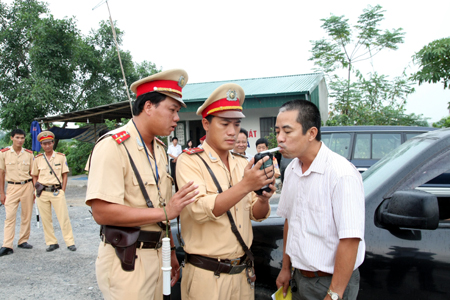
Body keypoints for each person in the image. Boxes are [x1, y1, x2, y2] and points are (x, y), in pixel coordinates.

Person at [85, 69, 198, 300]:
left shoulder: (158, 149)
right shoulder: (113, 146)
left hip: (158, 256)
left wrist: (172, 252)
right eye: (172, 110)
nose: (177, 118)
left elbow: (162, 209)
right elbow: (101, 211)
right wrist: (166, 211)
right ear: (148, 107)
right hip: (127, 260)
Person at [176, 83, 276, 300]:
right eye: (224, 124)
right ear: (206, 124)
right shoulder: (190, 161)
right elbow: (200, 210)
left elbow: (255, 214)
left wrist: (263, 199)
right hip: (207, 277)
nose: (232, 131)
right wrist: (245, 185)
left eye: (237, 123)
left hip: (242, 273)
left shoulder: (241, 163)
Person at [275, 100, 365, 300]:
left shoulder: (341, 174)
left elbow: (350, 239)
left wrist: (334, 294)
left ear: (311, 133)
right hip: (299, 278)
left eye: (287, 132)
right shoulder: (292, 170)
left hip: (330, 282)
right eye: (277, 131)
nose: (280, 138)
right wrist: (286, 267)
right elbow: (291, 220)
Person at [31, 131, 76, 252]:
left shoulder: (61, 157)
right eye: (44, 144)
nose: (47, 146)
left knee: (63, 218)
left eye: (49, 143)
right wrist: (36, 189)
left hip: (57, 191)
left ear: (53, 143)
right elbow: (34, 175)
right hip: (42, 192)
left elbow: (65, 175)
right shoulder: (38, 159)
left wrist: (63, 191)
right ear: (41, 145)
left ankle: (70, 242)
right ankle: (52, 242)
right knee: (46, 219)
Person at [0, 129, 35, 257]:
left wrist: (34, 190)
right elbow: (1, 173)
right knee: (9, 217)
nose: (20, 140)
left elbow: (33, 173)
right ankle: (7, 245)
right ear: (12, 138)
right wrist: (1, 193)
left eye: (22, 138)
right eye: (17, 137)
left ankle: (23, 241)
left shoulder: (29, 154)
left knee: (26, 215)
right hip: (12, 187)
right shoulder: (4, 154)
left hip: (27, 186)